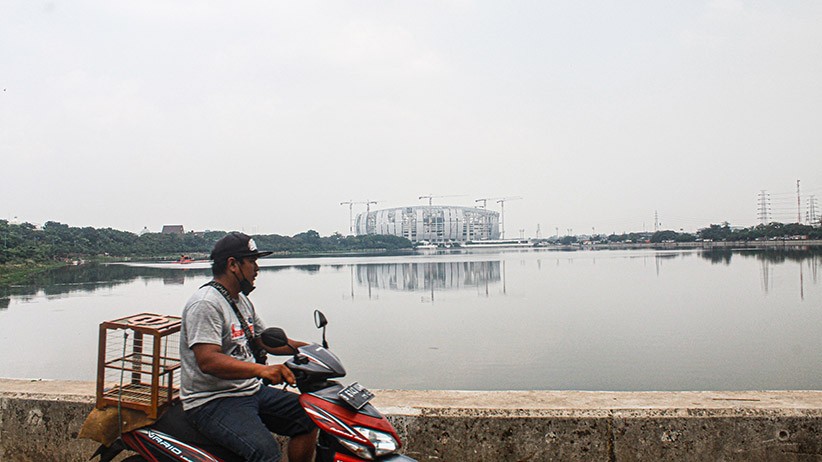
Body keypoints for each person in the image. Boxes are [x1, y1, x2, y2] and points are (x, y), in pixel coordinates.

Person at [180, 231, 317, 462]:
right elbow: (208, 360)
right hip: (212, 400)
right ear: (233, 264)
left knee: (309, 417)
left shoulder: (239, 300)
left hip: (247, 390)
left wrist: (308, 350)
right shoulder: (206, 304)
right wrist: (262, 370)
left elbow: (263, 339)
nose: (257, 268)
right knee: (265, 452)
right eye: (252, 261)